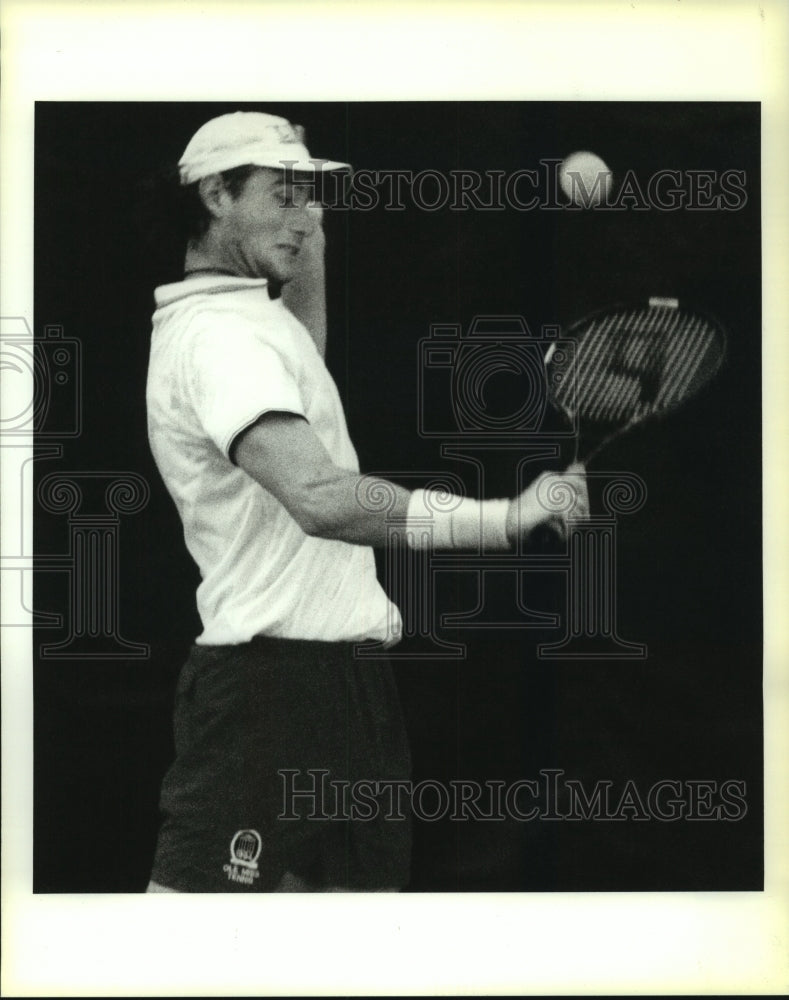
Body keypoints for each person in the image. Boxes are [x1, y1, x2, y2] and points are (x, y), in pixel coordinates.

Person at [145, 110, 588, 893]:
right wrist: (504, 519)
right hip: (267, 693)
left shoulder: (257, 326)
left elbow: (305, 349)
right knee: (192, 943)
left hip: (350, 686)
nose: (305, 216)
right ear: (215, 193)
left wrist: (298, 200)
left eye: (311, 198)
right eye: (282, 195)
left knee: (353, 946)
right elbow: (318, 497)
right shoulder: (220, 341)